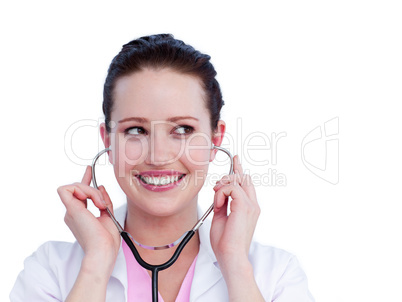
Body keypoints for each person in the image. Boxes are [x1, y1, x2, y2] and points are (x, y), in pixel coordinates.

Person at [10, 34, 314, 302]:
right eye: (136, 130)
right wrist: (96, 264)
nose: (158, 156)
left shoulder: (275, 275)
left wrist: (235, 265)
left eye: (182, 129)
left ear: (215, 138)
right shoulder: (50, 271)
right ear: (108, 141)